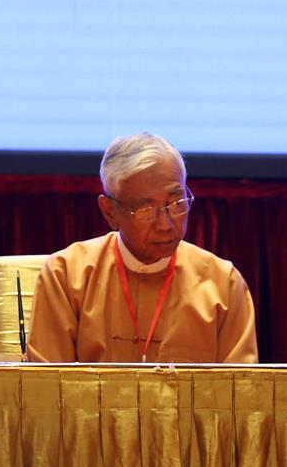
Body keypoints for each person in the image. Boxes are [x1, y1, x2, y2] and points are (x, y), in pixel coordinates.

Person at [27, 132, 259, 363]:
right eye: (146, 210)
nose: (166, 225)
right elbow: (46, 383)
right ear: (109, 212)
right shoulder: (66, 276)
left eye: (177, 203)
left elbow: (241, 384)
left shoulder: (223, 284)